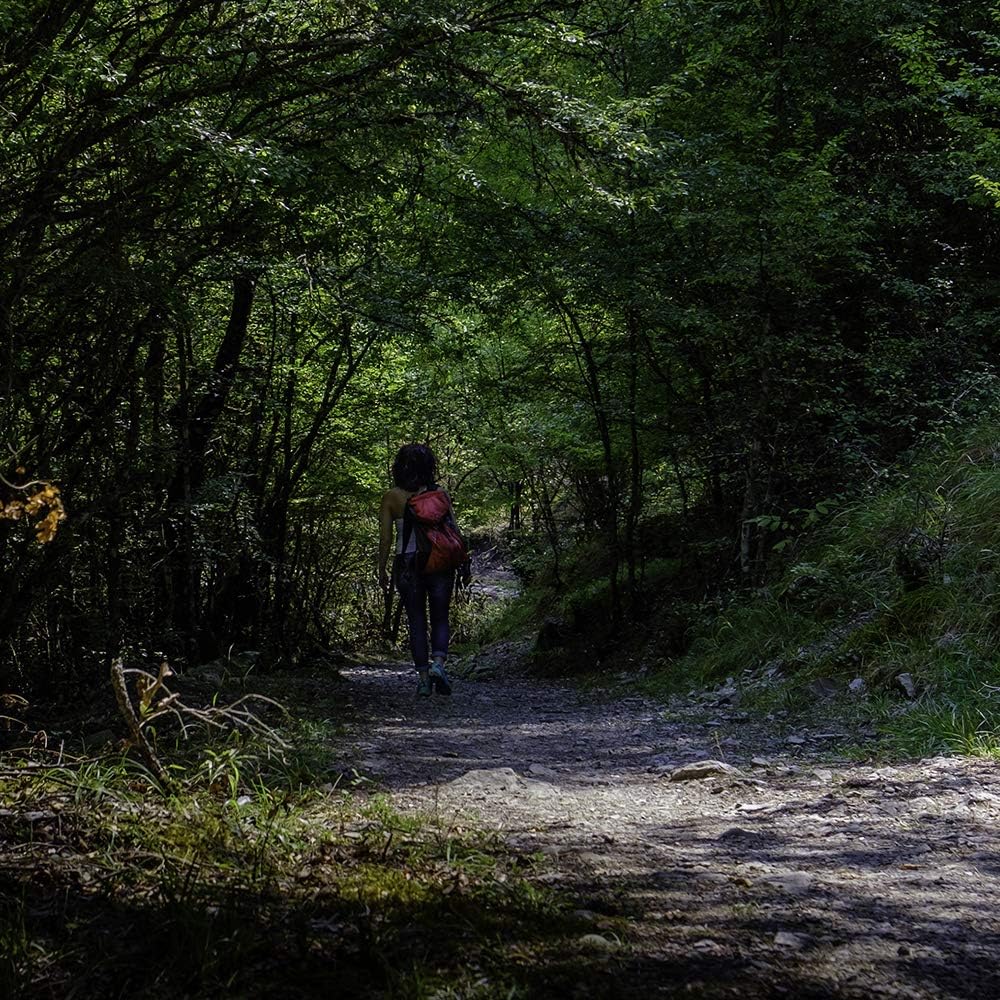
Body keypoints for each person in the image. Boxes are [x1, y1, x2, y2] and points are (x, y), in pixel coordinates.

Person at [378, 443, 469, 697]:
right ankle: (439, 665)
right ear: (430, 466)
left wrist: (382, 568)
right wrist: (463, 562)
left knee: (416, 620)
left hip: (407, 564)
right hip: (440, 561)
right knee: (440, 616)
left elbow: (385, 539)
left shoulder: (392, 497)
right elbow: (454, 530)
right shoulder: (440, 493)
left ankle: (423, 680)